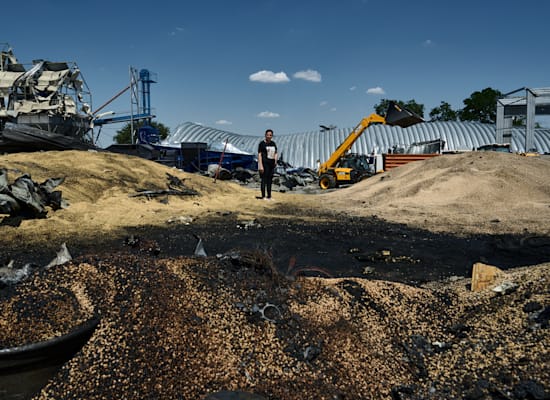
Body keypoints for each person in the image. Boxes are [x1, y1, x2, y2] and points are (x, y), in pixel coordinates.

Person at [257, 129, 278, 200]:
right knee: (264, 180)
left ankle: (269, 196)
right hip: (264, 163)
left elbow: (276, 153)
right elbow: (259, 154)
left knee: (269, 180)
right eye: (268, 135)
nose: (269, 136)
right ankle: (263, 196)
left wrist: (275, 161)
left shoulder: (273, 143)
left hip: (271, 164)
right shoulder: (262, 144)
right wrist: (260, 165)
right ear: (265, 135)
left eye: (270, 135)